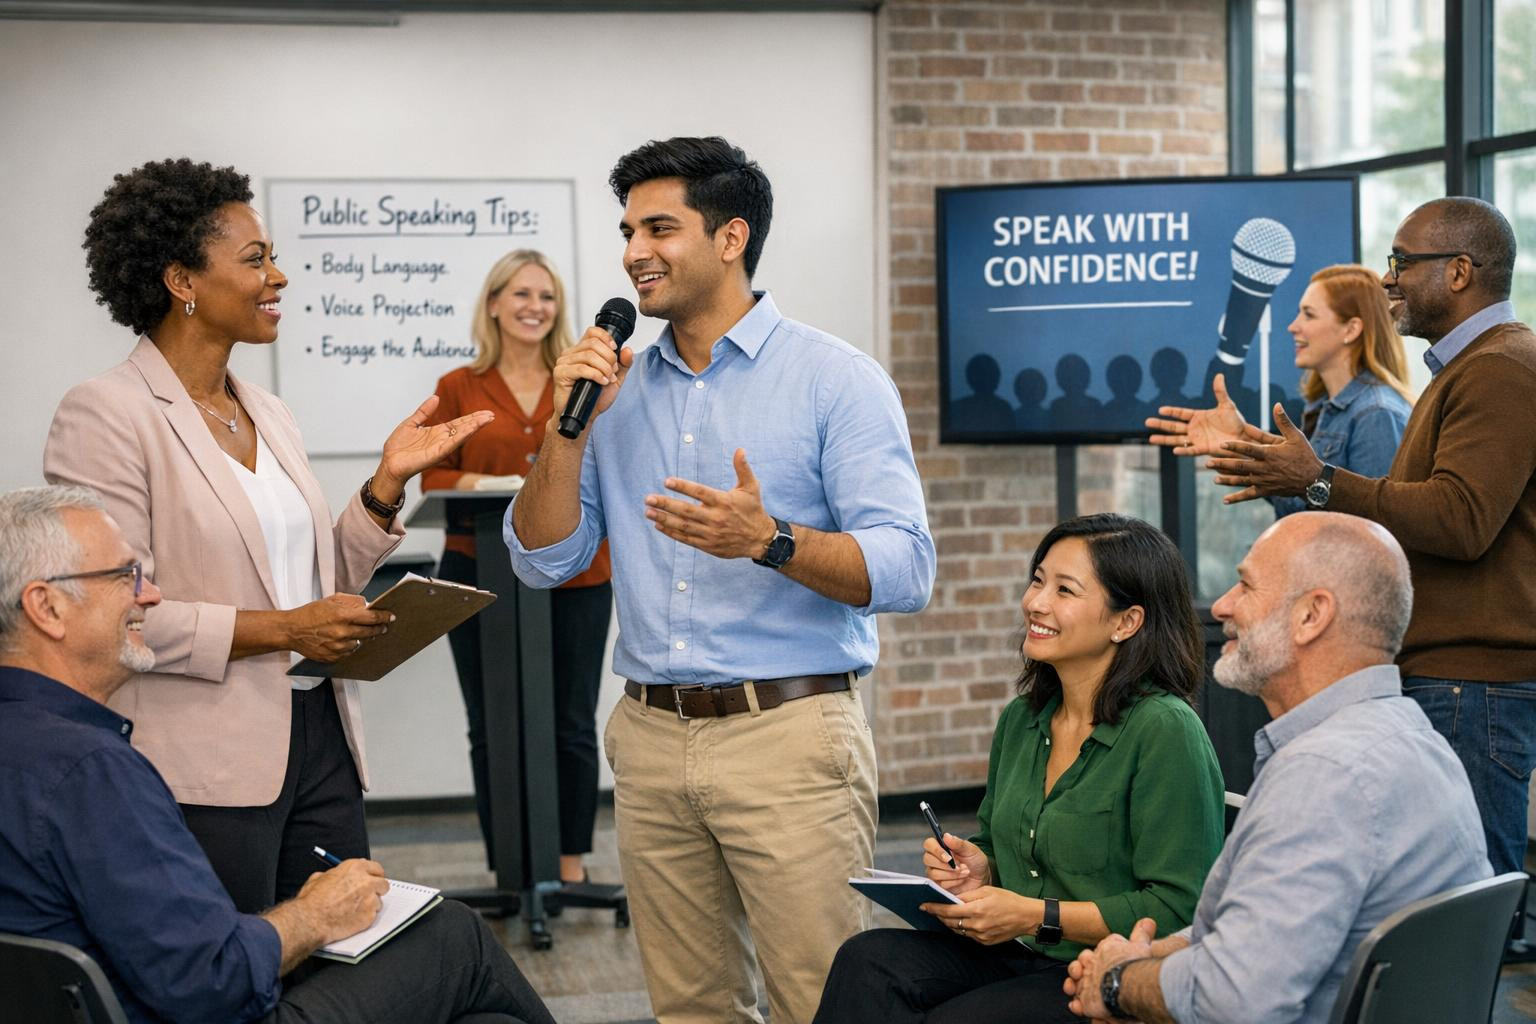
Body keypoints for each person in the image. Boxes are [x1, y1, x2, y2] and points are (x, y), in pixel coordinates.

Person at [507, 136, 935, 1024]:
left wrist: (770, 540)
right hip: (652, 738)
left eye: (660, 227)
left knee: (822, 1000)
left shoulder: (835, 380)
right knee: (691, 1009)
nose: (633, 251)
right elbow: (541, 558)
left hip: (789, 735)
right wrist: (564, 427)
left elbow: (904, 569)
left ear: (732, 236)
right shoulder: (612, 390)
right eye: (628, 229)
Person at [43, 158, 491, 915]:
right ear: (181, 280)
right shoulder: (106, 414)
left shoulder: (269, 412)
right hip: (202, 764)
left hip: (320, 739)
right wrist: (289, 629)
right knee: (236, 973)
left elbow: (320, 584)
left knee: (348, 951)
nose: (278, 277)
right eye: (256, 260)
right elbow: (117, 614)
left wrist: (385, 487)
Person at [0, 485, 554, 1024]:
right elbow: (213, 982)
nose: (151, 594)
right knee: (452, 937)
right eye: (126, 576)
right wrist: (312, 914)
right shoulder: (92, 772)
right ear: (46, 606)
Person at [1203, 198, 1536, 886]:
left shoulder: (1501, 368)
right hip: (1454, 682)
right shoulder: (1470, 368)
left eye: (1402, 262)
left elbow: (1460, 519)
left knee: (1460, 910)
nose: (1388, 280)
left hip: (1473, 688)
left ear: (1459, 272)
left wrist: (1320, 480)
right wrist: (1292, 471)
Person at [1062, 511, 1491, 1023]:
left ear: (1312, 616)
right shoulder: (1416, 740)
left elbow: (1234, 1003)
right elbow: (1255, 935)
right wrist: (1148, 957)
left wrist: (1116, 983)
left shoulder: (1324, 776)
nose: (1222, 606)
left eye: (1245, 585)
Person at [813, 514, 1225, 1024]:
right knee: (867, 959)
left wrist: (1034, 915)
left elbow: (1178, 908)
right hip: (1018, 953)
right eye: (1038, 580)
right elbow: (1000, 843)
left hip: (1102, 971)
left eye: (1065, 590)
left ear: (1127, 622)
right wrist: (978, 866)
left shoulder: (1166, 730)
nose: (1035, 602)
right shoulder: (1024, 719)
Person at [422, 249, 613, 884]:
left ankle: (568, 862)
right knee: (491, 723)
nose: (536, 307)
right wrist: (495, 479)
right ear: (496, 303)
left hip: (577, 573)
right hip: (476, 570)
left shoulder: (586, 378)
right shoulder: (459, 385)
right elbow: (432, 471)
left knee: (571, 721)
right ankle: (508, 863)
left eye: (548, 297)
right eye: (523, 294)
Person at [1147, 264, 1414, 517]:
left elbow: (1375, 529)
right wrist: (1239, 442)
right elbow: (1303, 503)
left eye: (1308, 314)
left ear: (1351, 328)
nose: (1293, 326)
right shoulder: (1322, 407)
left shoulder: (1376, 414)